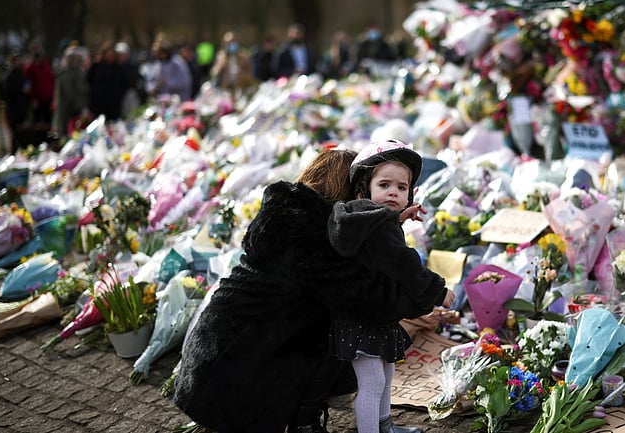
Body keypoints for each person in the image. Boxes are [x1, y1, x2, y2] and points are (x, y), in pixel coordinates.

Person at [174, 149, 441, 433]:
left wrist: (390, 220)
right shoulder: (312, 239)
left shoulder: (290, 215)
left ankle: (306, 417)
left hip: (214, 357)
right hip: (233, 380)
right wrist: (429, 294)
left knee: (335, 327)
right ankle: (304, 422)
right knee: (346, 334)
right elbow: (369, 299)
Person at [327, 139, 454, 433]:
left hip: (369, 313)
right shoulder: (378, 226)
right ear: (364, 188)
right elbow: (402, 262)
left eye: (401, 188)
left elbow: (380, 239)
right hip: (363, 317)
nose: (394, 193)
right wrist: (438, 292)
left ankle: (384, 425)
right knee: (372, 383)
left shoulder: (363, 218)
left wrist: (396, 219)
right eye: (385, 185)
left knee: (386, 372)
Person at [50, 46, 90, 139]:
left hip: (77, 111)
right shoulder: (65, 74)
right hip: (68, 112)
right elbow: (71, 95)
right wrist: (80, 108)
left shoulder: (78, 72)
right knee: (67, 135)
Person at [23, 41, 54, 125]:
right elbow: (27, 86)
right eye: (34, 49)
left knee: (49, 121)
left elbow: (52, 80)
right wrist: (32, 99)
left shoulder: (46, 65)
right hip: (37, 101)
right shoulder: (29, 68)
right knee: (37, 123)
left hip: (49, 99)